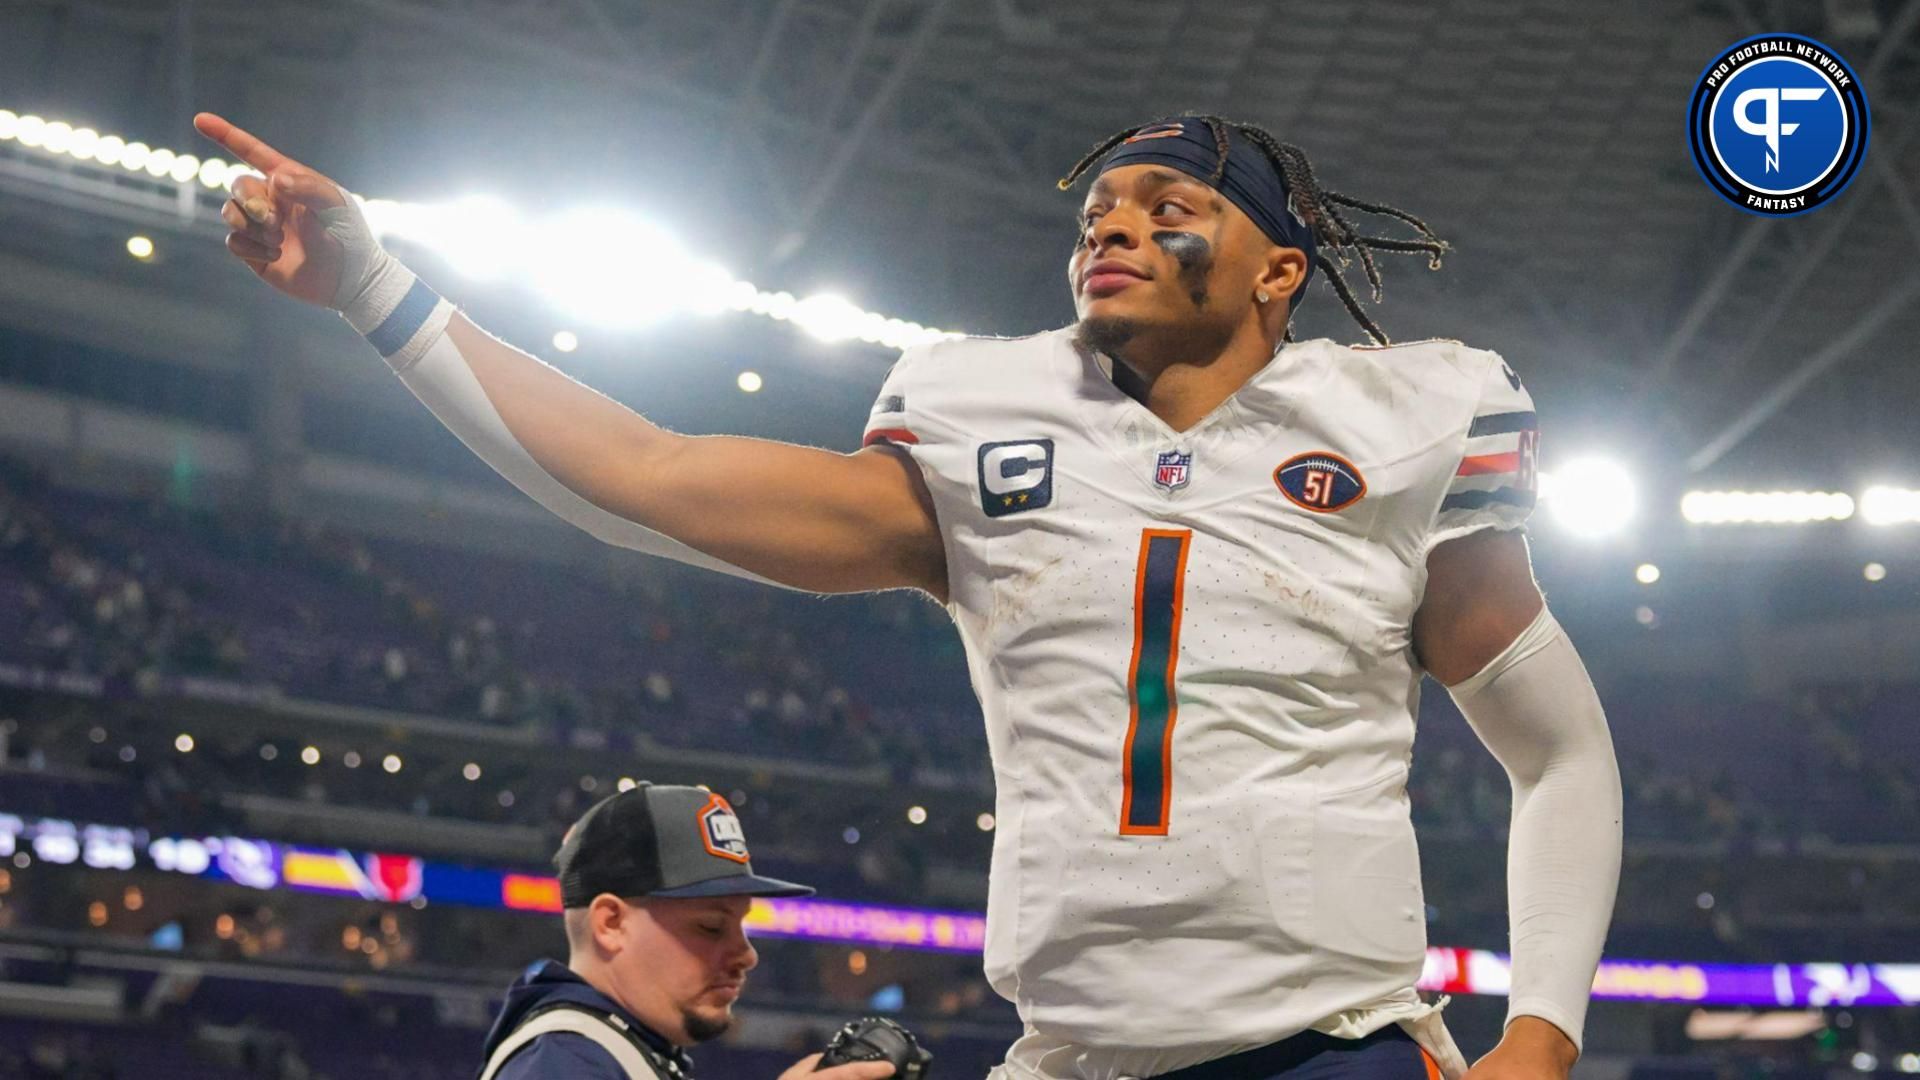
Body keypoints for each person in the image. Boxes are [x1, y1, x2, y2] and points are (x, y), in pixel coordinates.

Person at [196, 109, 1623, 1080]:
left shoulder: (1409, 418)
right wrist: (377, 291)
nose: (1109, 228)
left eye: (1166, 208)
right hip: (1069, 1054)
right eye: (1098, 208)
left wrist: (1541, 1039)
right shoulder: (982, 424)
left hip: (1337, 1047)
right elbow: (650, 476)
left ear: (1278, 273)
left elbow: (1559, 752)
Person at [477, 782, 895, 1080]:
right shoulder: (566, 1064)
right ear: (611, 923)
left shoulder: (620, 1050)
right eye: (712, 927)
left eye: (740, 924)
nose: (747, 954)